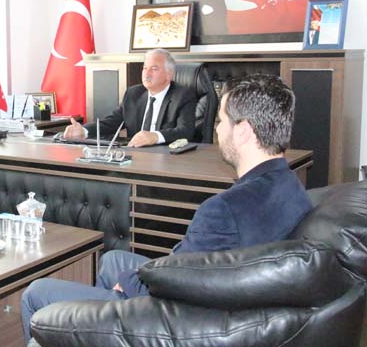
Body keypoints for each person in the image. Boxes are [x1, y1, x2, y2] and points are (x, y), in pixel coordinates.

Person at [21, 74, 312, 342]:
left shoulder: (223, 209)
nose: (217, 128)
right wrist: (133, 279)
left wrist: (131, 286)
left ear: (244, 131)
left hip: (173, 319)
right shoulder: (291, 185)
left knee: (36, 293)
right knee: (112, 260)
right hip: (214, 295)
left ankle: (107, 326)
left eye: (222, 120)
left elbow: (174, 282)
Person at [63, 48, 196, 147]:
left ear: (169, 74)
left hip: (166, 159)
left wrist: (155, 137)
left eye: (154, 69)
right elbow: (111, 122)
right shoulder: (133, 94)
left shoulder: (183, 96)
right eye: (145, 68)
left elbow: (185, 131)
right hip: (135, 156)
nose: (147, 74)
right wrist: (84, 130)